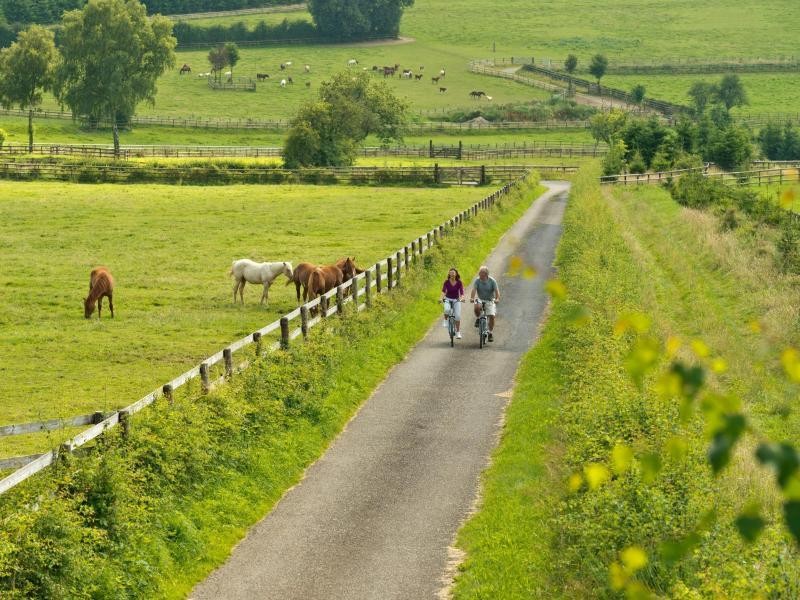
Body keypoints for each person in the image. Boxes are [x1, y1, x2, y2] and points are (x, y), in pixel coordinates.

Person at [470, 265, 500, 342]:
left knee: (492, 316)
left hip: (490, 300)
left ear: (486, 274)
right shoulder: (477, 280)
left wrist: (497, 299)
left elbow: (497, 291)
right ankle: (478, 318)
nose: (479, 274)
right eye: (479, 273)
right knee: (476, 307)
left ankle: (490, 333)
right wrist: (472, 298)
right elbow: (474, 289)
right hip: (480, 299)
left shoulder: (492, 281)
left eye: (481, 273)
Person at [440, 267, 465, 339]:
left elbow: (462, 292)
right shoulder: (446, 282)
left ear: (456, 274)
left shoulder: (459, 282)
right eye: (450, 273)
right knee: (447, 310)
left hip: (456, 300)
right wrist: (441, 298)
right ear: (449, 274)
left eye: (453, 273)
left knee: (457, 316)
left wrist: (462, 298)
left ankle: (458, 332)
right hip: (448, 299)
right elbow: (443, 291)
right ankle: (445, 320)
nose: (452, 274)